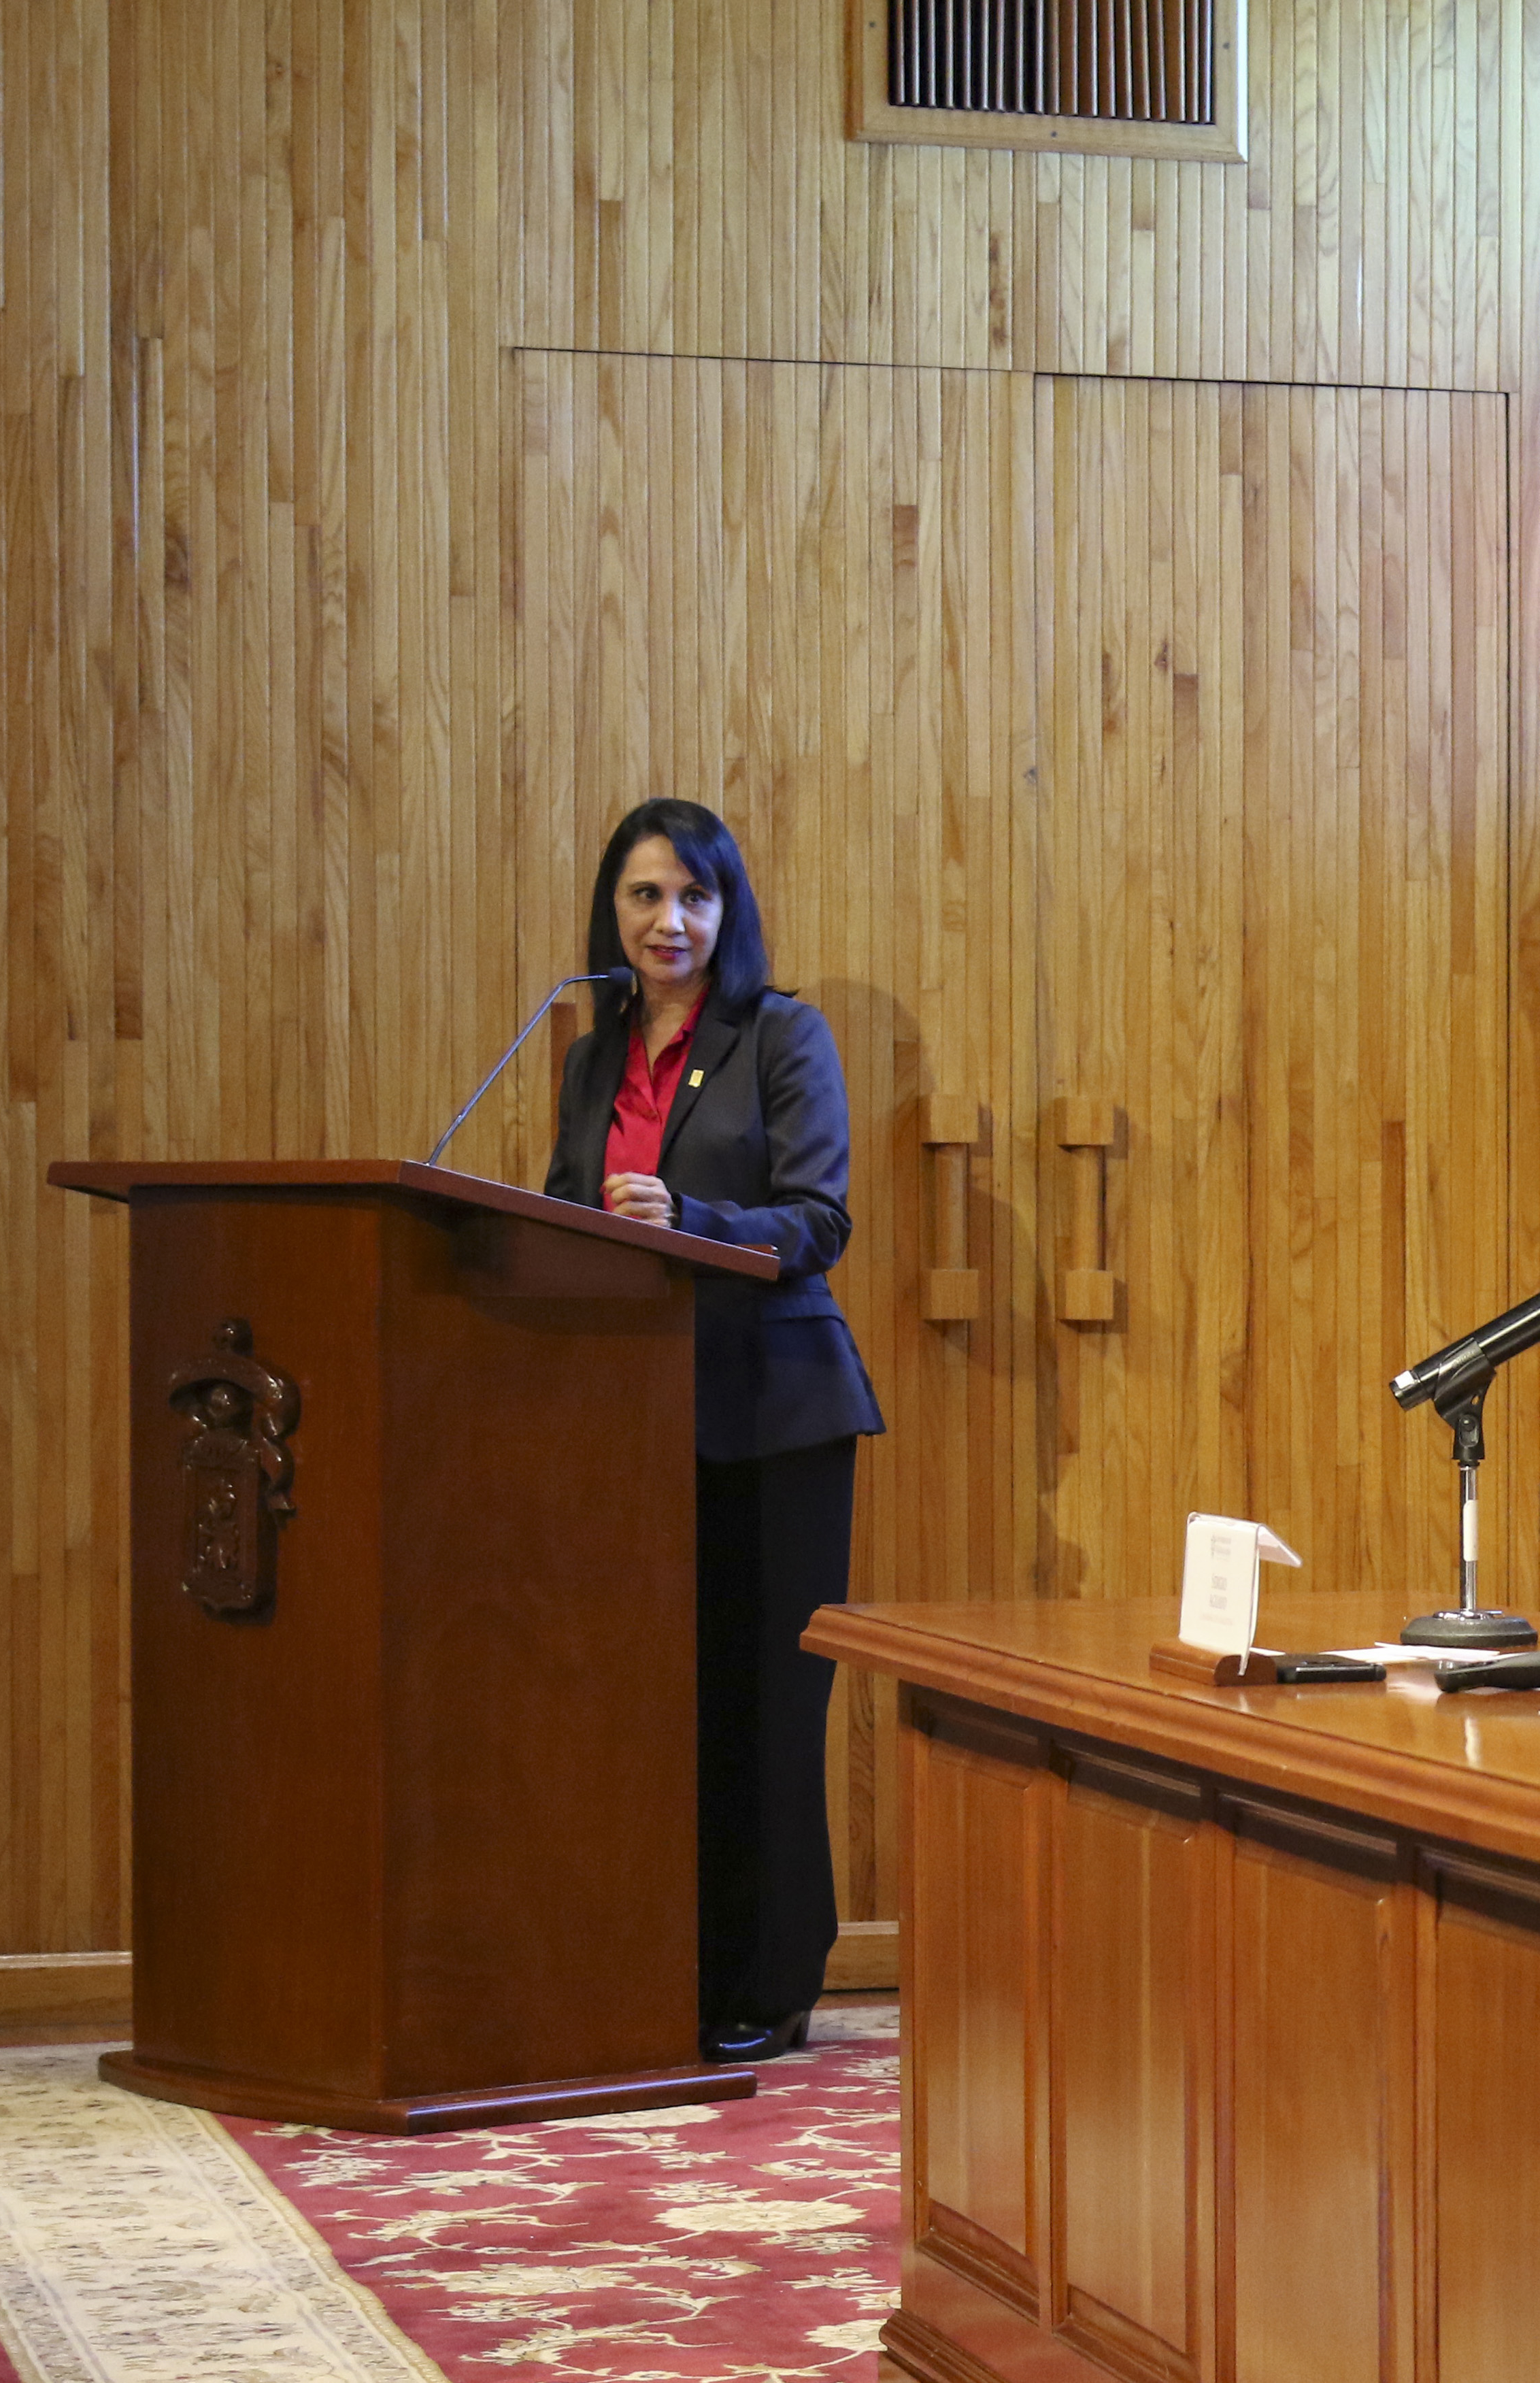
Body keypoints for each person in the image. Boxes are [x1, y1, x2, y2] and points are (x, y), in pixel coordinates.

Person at [546, 800, 885, 2061]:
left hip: (775, 1411)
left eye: (694, 896)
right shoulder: (591, 1056)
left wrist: (691, 1218)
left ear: (726, 910)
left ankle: (770, 1977)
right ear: (613, 910)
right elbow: (564, 1210)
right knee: (661, 1700)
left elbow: (817, 1219)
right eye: (644, 895)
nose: (668, 920)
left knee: (767, 1703)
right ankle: (663, 1963)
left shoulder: (780, 1034)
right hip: (634, 1421)